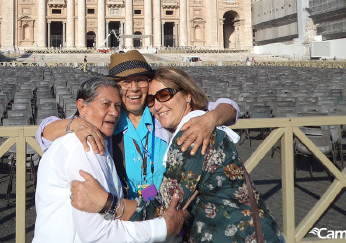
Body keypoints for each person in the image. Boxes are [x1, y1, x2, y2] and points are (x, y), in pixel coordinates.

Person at [70, 67, 283, 242]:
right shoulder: (113, 121)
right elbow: (47, 128)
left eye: (164, 95)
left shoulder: (193, 132)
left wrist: (108, 203)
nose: (157, 105)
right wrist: (73, 123)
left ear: (188, 95)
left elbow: (164, 207)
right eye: (152, 100)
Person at [36, 50, 239, 201]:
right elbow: (44, 132)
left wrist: (210, 118)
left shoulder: (162, 113)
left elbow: (229, 107)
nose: (134, 88)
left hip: (161, 209)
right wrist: (75, 123)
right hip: (121, 215)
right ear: (115, 86)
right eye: (125, 82)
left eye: (140, 80)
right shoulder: (107, 120)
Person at [33, 76, 187, 242]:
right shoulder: (84, 145)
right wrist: (162, 227)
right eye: (106, 104)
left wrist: (211, 117)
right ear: (82, 107)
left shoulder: (163, 120)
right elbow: (98, 234)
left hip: (145, 207)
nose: (114, 112)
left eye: (117, 106)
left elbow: (204, 105)